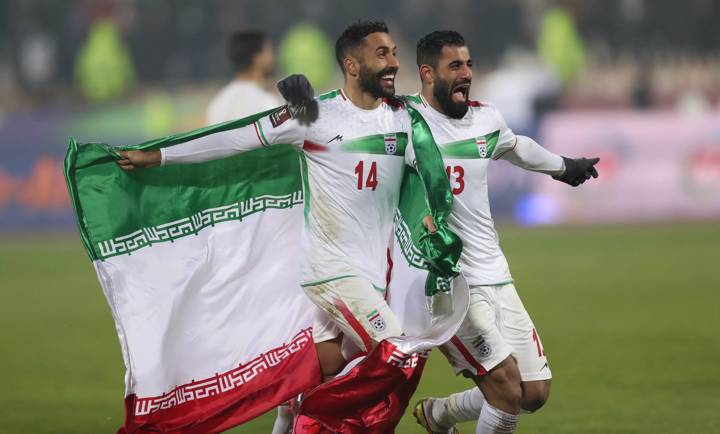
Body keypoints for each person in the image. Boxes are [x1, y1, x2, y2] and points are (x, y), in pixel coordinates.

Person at [116, 20, 449, 432]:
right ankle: (316, 414)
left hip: (373, 274)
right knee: (398, 352)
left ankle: (302, 408)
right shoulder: (315, 117)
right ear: (351, 63)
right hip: (332, 272)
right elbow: (236, 138)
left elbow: (432, 165)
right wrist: (161, 156)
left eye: (394, 53)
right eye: (382, 54)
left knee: (325, 366)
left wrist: (434, 212)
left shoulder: (401, 120)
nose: (394, 63)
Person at [402, 31, 599, 434]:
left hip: (497, 273)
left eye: (469, 64)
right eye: (454, 66)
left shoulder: (485, 117)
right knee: (506, 389)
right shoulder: (404, 123)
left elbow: (516, 146)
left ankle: (439, 415)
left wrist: (564, 167)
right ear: (427, 72)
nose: (466, 74)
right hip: (449, 281)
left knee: (534, 392)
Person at [206, 30, 281, 124]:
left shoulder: (217, 103)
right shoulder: (266, 103)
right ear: (258, 58)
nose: (272, 57)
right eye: (268, 51)